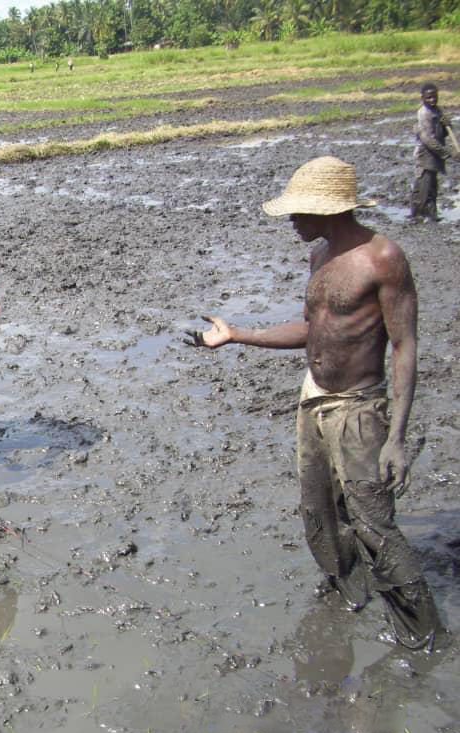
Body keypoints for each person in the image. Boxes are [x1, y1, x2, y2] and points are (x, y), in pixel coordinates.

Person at [186, 156, 444, 651]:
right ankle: (349, 592)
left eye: (297, 213)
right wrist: (238, 334)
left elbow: (404, 346)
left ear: (327, 211)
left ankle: (424, 634)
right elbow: (313, 330)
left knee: (374, 523)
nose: (291, 222)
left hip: (359, 409)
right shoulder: (320, 256)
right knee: (319, 510)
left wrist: (396, 438)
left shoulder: (382, 259)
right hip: (314, 400)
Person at [410, 82, 452, 222]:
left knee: (432, 187)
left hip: (434, 156)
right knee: (423, 187)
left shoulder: (437, 111)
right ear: (422, 98)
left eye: (435, 97)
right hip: (425, 155)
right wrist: (447, 153)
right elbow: (428, 139)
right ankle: (418, 216)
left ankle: (432, 215)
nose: (432, 100)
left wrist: (447, 125)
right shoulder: (424, 113)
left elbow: (442, 134)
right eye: (429, 98)